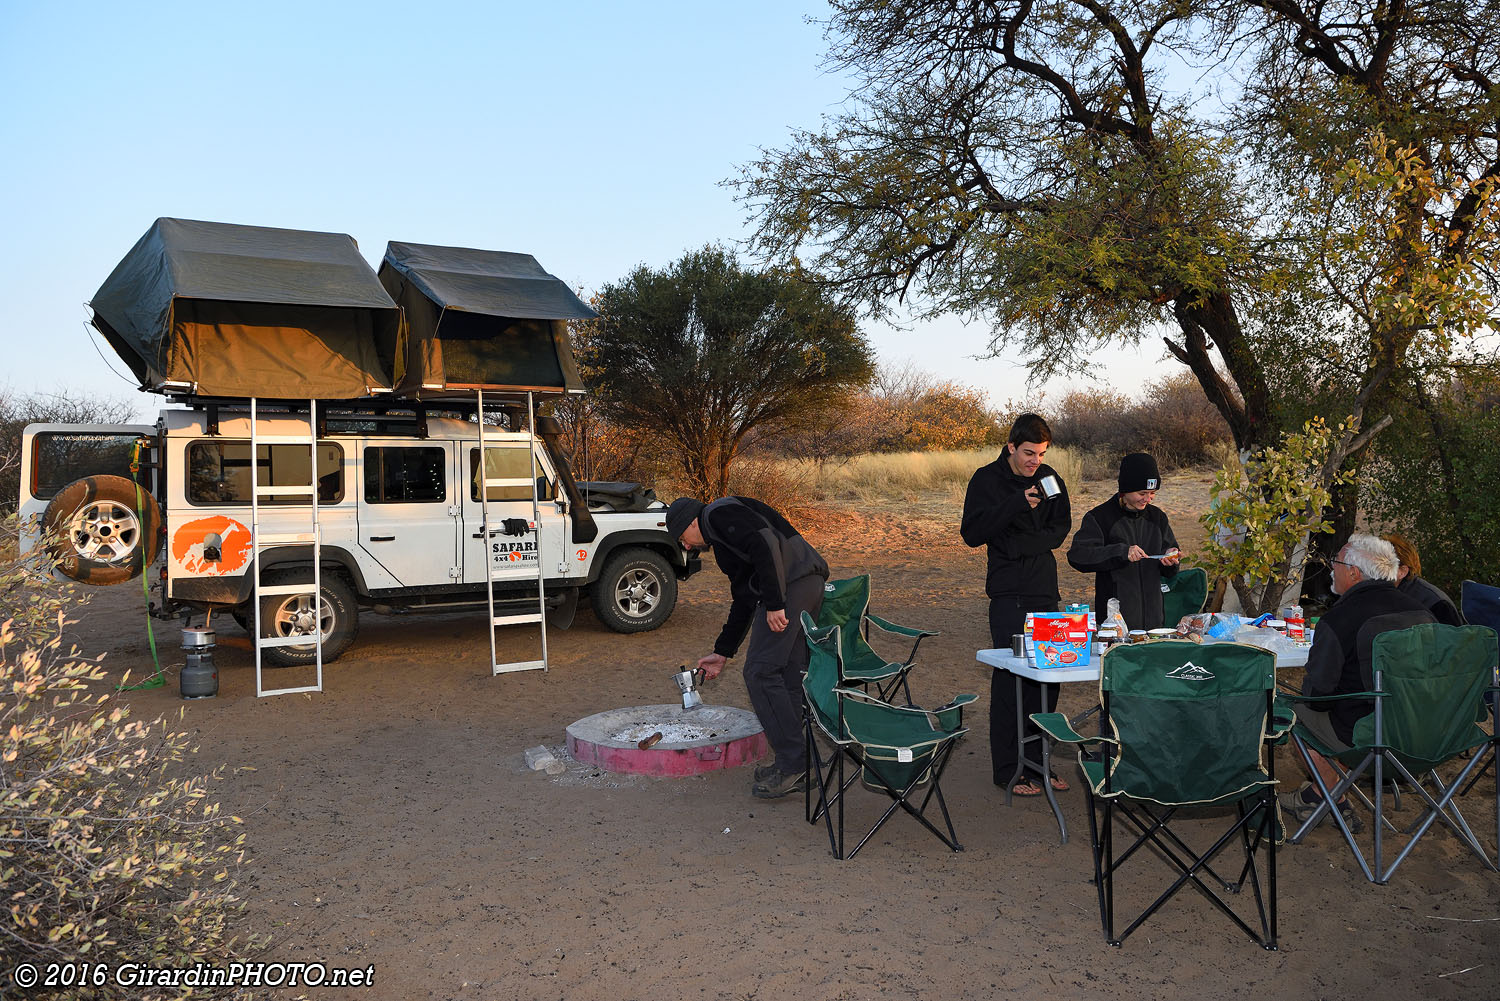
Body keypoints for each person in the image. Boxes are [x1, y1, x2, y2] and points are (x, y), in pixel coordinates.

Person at [664, 495, 829, 800]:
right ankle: (797, 762)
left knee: (760, 673)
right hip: (807, 582)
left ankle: (793, 763)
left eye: (681, 538)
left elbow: (764, 543)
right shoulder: (725, 543)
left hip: (792, 585)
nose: (685, 547)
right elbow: (743, 599)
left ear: (690, 522)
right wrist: (722, 652)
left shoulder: (717, 513)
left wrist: (776, 603)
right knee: (787, 676)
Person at [1279, 533, 1434, 832]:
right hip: (1423, 733)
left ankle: (1327, 796)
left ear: (1353, 572)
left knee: (1293, 712)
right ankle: (1324, 795)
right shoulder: (1421, 613)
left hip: (1369, 737)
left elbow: (1317, 693)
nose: (1330, 570)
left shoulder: (1339, 619)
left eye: (1335, 563)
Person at [960, 413, 1072, 798]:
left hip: (1045, 590)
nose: (1035, 461)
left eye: (1041, 454)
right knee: (1011, 679)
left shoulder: (1050, 477)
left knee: (1048, 678)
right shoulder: (986, 480)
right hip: (1008, 594)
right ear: (1010, 447)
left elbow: (1060, 527)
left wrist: (1022, 543)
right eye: (1028, 453)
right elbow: (972, 534)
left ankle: (1039, 762)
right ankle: (1009, 768)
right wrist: (1015, 506)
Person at [1066, 452, 1182, 630]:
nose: (1147, 499)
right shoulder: (1099, 517)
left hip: (1154, 622)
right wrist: (1121, 552)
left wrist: (1170, 559)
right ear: (1125, 490)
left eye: (1152, 493)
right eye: (1142, 493)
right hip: (1115, 624)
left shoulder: (1158, 518)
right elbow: (1078, 556)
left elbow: (1170, 564)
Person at [1383, 533, 1463, 626]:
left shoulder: (1437, 604)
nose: (1373, 571)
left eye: (1383, 566)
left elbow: (1454, 638)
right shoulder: (1385, 591)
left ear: (1402, 571)